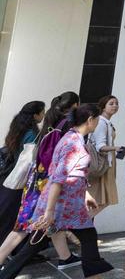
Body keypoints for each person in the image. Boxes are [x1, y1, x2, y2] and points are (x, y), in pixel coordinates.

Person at [0, 91, 80, 270]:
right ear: (74, 106)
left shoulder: (47, 126)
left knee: (43, 223)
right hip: (44, 183)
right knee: (24, 226)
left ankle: (66, 258)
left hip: (35, 181)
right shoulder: (64, 127)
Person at [0, 101, 44, 236]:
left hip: (6, 174)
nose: (43, 115)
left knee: (5, 211)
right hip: (18, 178)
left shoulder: (17, 127)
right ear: (35, 115)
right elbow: (28, 160)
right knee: (11, 214)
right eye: (42, 112)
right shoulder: (32, 133)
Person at [87, 96, 122, 214]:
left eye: (116, 103)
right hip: (102, 165)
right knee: (97, 200)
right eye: (111, 103)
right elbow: (100, 147)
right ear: (103, 107)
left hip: (105, 164)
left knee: (99, 199)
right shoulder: (101, 123)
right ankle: (81, 225)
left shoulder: (105, 122)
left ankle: (84, 226)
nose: (115, 106)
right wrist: (116, 148)